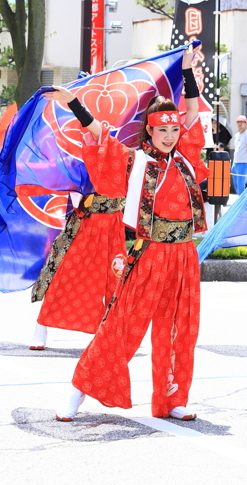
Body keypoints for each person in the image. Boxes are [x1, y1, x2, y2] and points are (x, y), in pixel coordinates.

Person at [50, 44, 207, 422]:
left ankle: (173, 397)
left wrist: (187, 70)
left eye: (174, 129)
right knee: (122, 325)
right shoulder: (137, 161)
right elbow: (101, 136)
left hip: (184, 254)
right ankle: (78, 390)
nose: (170, 135)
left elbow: (192, 111)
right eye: (162, 130)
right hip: (149, 252)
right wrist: (74, 103)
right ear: (149, 131)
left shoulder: (185, 158)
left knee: (180, 329)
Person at [28, 98, 173, 350]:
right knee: (66, 275)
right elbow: (48, 171)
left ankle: (113, 333)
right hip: (86, 225)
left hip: (113, 226)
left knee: (115, 281)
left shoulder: (137, 157)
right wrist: (7, 169)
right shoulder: (83, 155)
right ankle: (41, 327)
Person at [230, 114, 247, 195]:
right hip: (235, 162)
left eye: (242, 122)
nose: (239, 123)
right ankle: (239, 201)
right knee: (236, 185)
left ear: (246, 123)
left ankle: (242, 202)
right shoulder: (237, 135)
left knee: (240, 185)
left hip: (243, 163)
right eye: (238, 122)